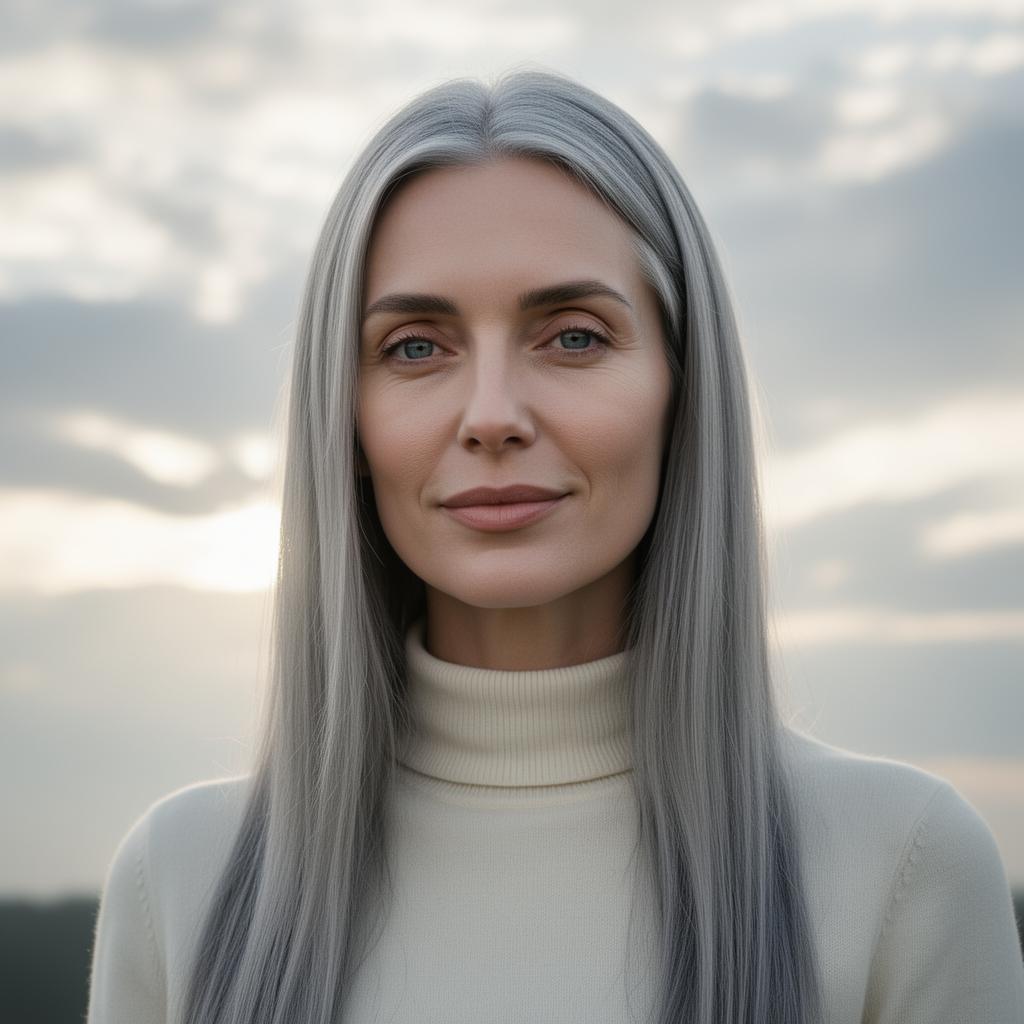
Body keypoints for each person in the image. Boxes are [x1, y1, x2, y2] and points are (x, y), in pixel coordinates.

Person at [85, 67, 1024, 1024]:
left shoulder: (903, 869)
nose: (491, 417)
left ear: (682, 387)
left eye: (572, 337)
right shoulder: (181, 883)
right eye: (415, 346)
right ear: (345, 421)